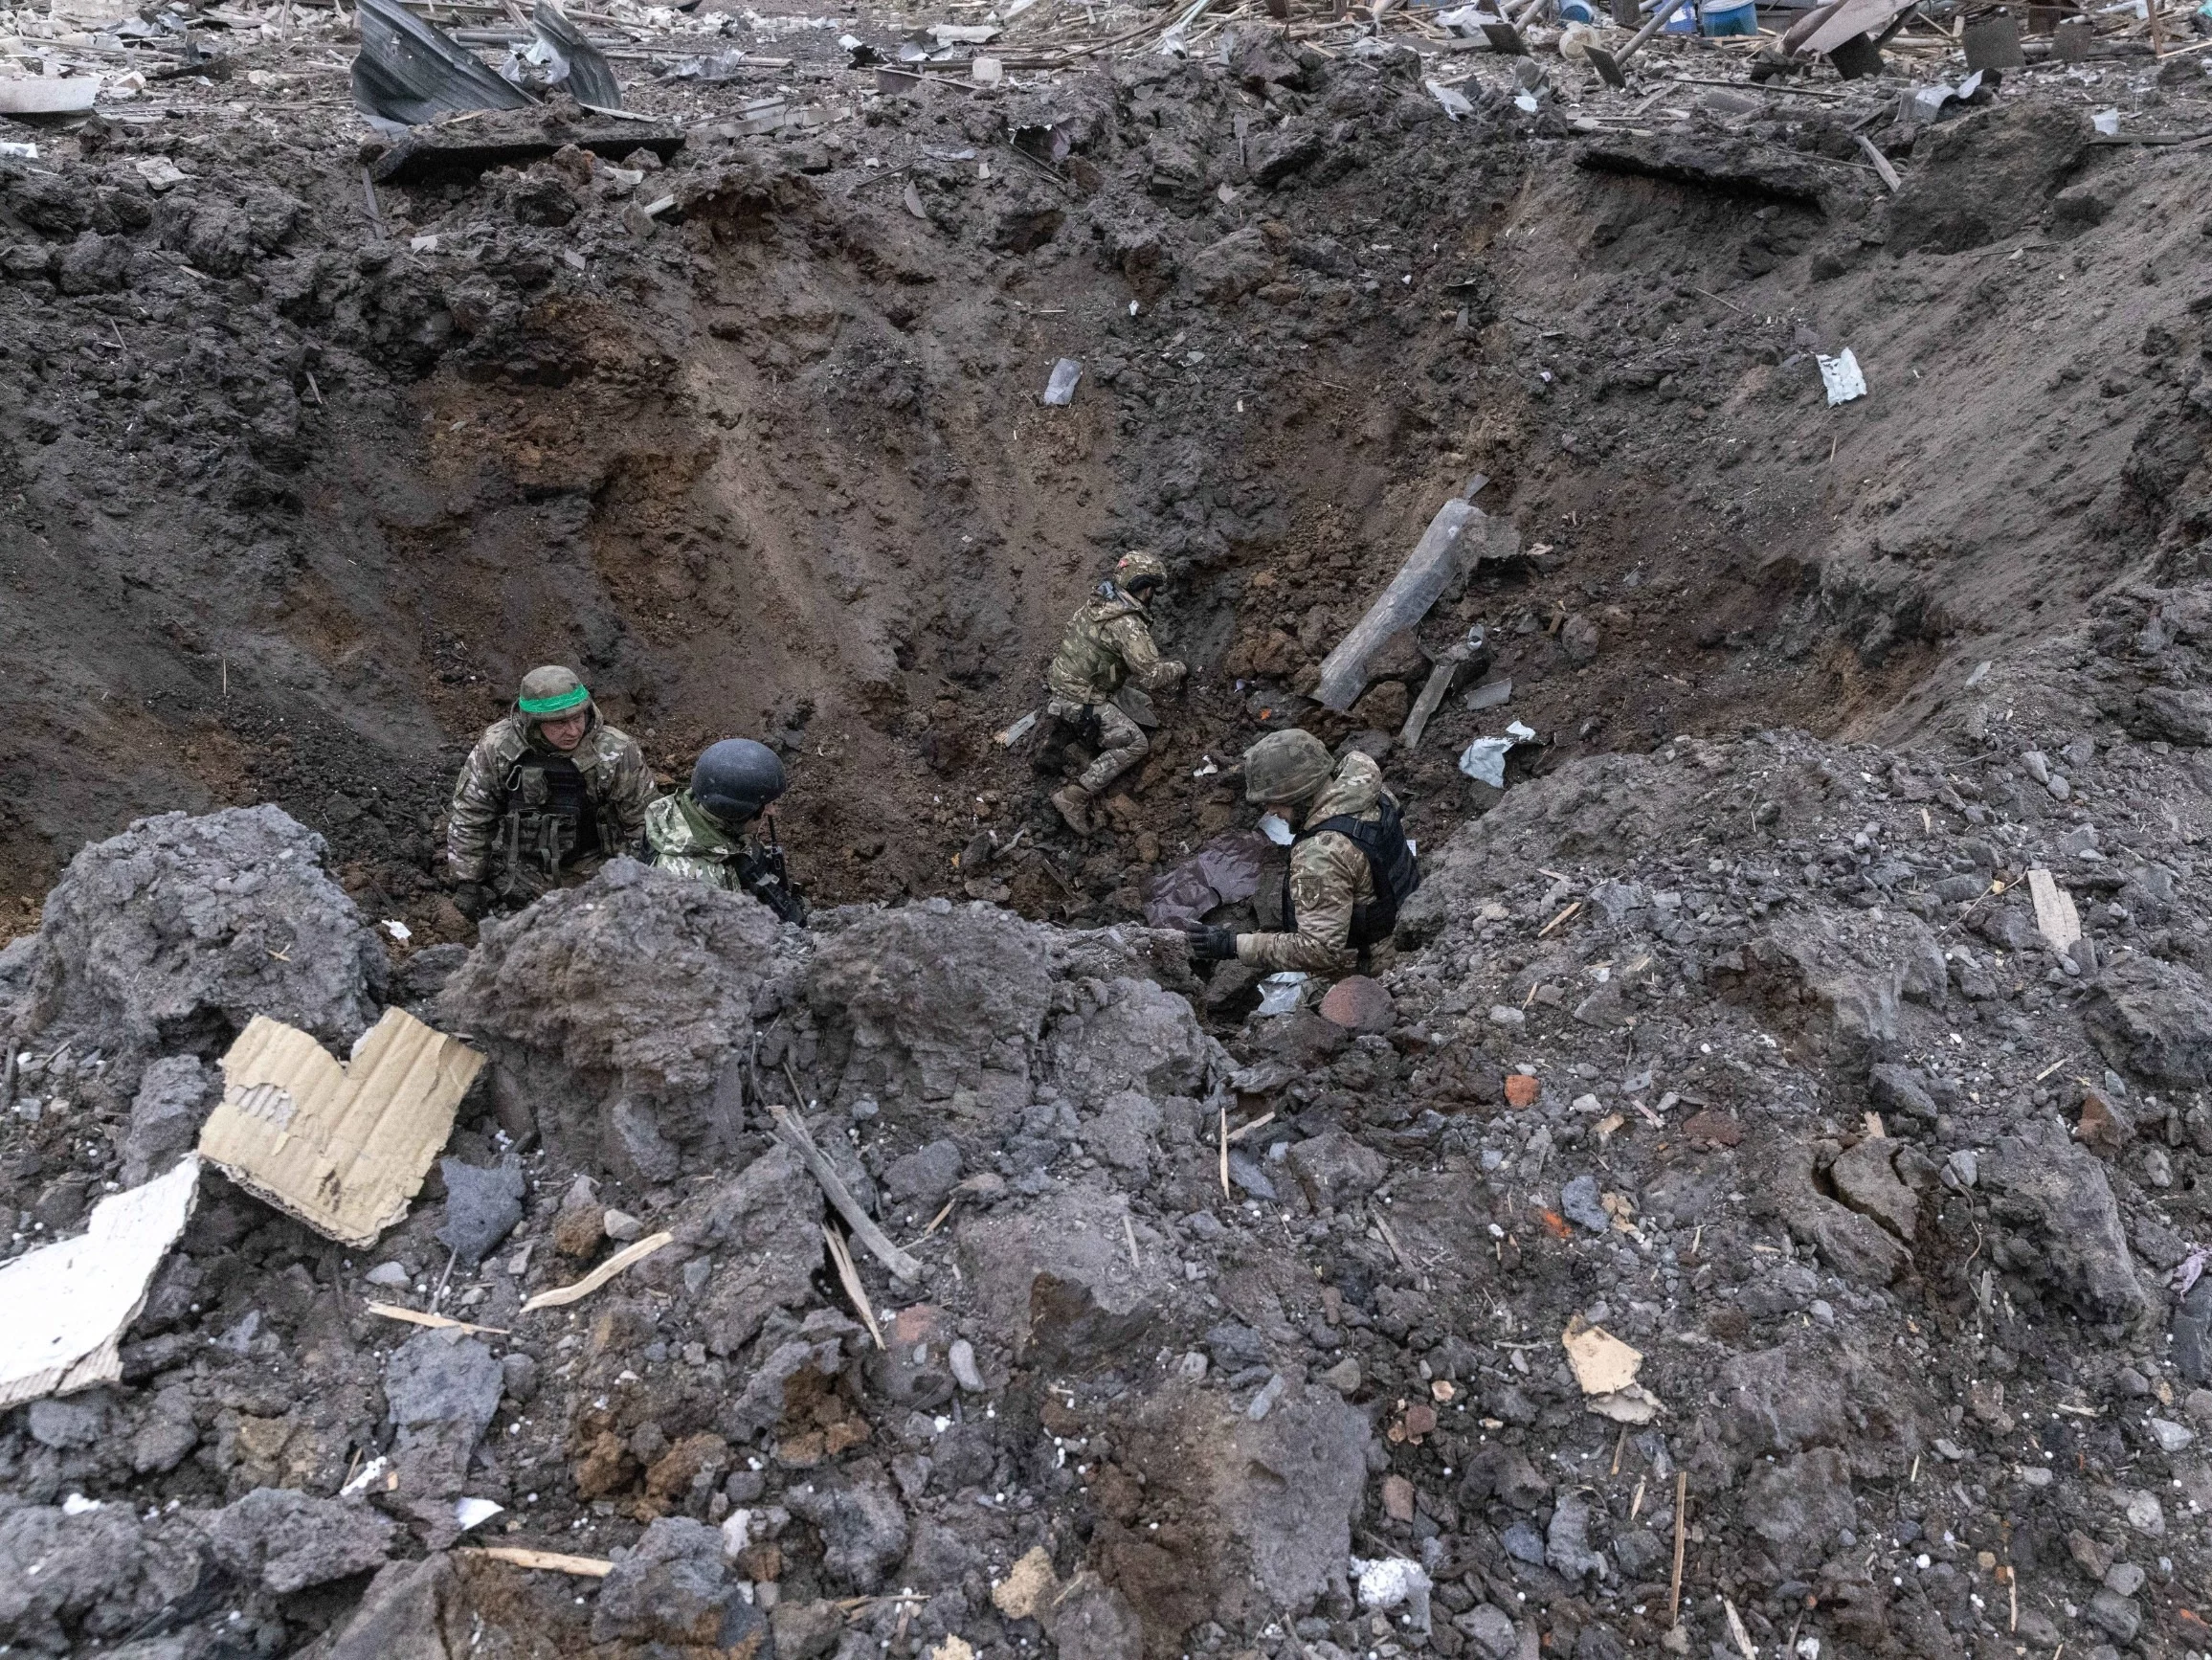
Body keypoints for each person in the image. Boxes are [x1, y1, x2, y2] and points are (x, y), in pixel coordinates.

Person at [1184, 729, 1420, 975]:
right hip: (1405, 931)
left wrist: (1233, 945)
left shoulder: (1320, 855)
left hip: (1368, 969)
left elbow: (1318, 951)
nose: (1271, 810)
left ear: (1300, 793)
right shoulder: (1366, 790)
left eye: (1276, 800)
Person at [446, 665, 653, 918]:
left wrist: (640, 883)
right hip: (520, 876)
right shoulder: (498, 748)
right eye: (559, 723)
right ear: (533, 723)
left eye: (578, 717)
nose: (574, 730)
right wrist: (468, 881)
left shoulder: (614, 751)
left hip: (597, 876)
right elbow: (472, 814)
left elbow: (643, 824)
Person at [1043, 549, 1186, 833]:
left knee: (1140, 702)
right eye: (1152, 588)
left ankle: (1079, 743)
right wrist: (1182, 668)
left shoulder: (1100, 599)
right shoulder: (1127, 623)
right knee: (1136, 744)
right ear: (1144, 587)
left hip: (1066, 680)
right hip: (1080, 697)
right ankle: (1075, 796)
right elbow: (1152, 676)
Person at [645, 738, 807, 923]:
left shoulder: (714, 822)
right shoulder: (690, 879)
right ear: (735, 810)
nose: (771, 811)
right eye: (764, 805)